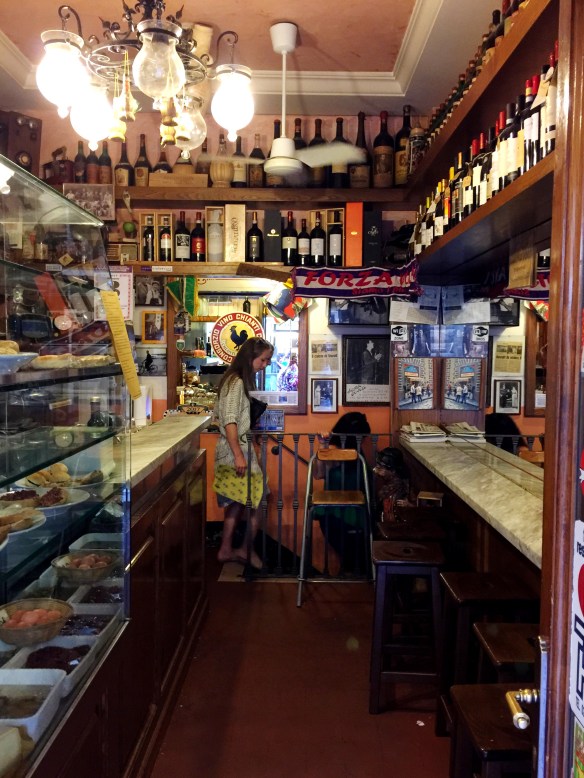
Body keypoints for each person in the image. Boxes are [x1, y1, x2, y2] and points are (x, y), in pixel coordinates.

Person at [212, 337, 274, 569]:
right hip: (235, 452)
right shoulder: (236, 382)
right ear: (250, 358)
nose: (265, 365)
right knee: (260, 499)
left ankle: (226, 549)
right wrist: (238, 455)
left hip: (232, 450)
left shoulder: (234, 380)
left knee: (237, 501)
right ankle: (245, 548)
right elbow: (229, 421)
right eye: (263, 360)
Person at [314, 412, 372, 572]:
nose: (363, 440)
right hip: (338, 512)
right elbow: (319, 474)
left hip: (350, 510)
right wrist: (323, 446)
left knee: (355, 557)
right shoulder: (337, 450)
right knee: (354, 556)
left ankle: (350, 572)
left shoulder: (357, 451)